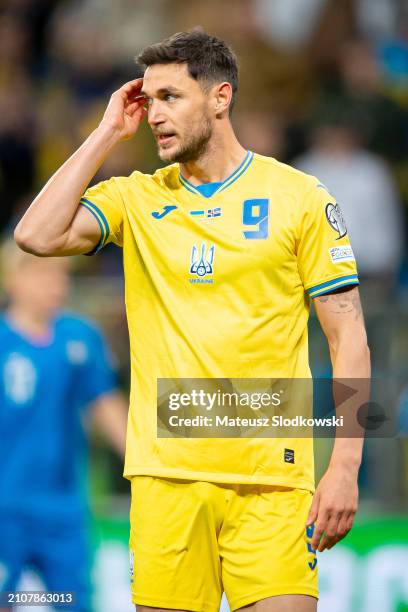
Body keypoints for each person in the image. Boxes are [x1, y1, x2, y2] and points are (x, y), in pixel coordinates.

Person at [14, 30, 370, 612]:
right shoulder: (136, 198)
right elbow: (35, 235)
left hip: (273, 481)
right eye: (147, 99)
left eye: (171, 97)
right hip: (167, 480)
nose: (154, 114)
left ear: (220, 97)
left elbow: (348, 336)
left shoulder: (300, 196)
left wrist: (345, 466)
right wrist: (106, 132)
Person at [0, 241, 128, 612]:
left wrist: (144, 463)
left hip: (64, 510)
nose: (57, 285)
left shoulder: (79, 337)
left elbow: (105, 405)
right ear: (15, 279)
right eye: (45, 274)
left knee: (72, 602)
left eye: (62, 275)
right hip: (5, 507)